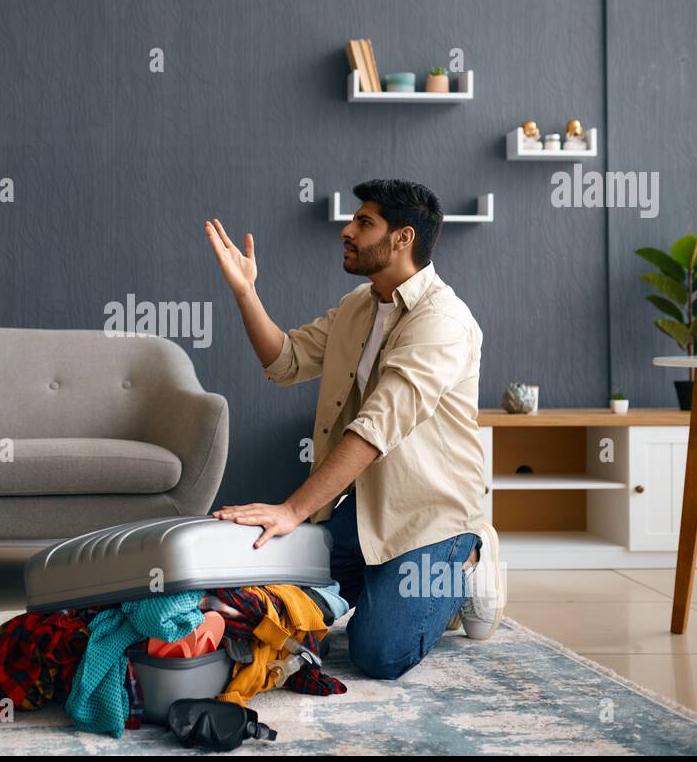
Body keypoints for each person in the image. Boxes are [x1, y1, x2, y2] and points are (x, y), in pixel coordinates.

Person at [203, 178, 505, 680]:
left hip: (431, 515)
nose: (347, 230)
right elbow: (286, 360)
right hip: (364, 510)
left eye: (364, 223)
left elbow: (375, 428)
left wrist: (292, 510)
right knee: (277, 610)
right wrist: (245, 292)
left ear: (403, 238)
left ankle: (470, 557)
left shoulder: (443, 321)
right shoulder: (359, 306)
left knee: (379, 653)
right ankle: (391, 584)